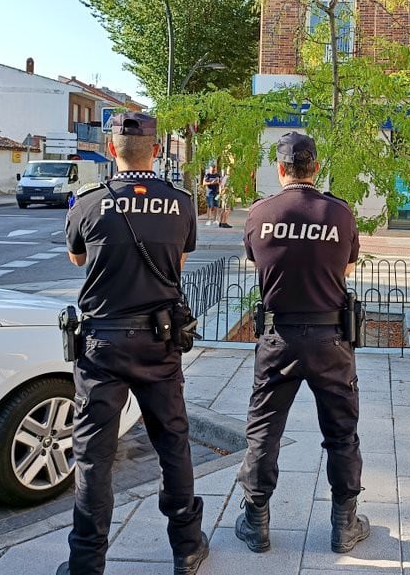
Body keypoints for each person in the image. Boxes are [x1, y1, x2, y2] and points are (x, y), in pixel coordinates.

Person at [59, 111, 209, 575]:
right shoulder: (180, 202)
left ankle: (86, 563)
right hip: (158, 341)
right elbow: (178, 262)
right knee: (173, 443)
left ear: (110, 151)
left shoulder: (87, 202)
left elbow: (76, 257)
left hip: (101, 344)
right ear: (158, 151)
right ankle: (186, 548)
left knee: (93, 456)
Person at [235, 131, 368, 555]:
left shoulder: (260, 214)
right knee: (341, 433)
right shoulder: (340, 213)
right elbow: (347, 267)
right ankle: (344, 525)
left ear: (280, 169)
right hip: (331, 338)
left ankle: (256, 523)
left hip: (280, 337)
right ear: (316, 167)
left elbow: (257, 263)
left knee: (264, 432)